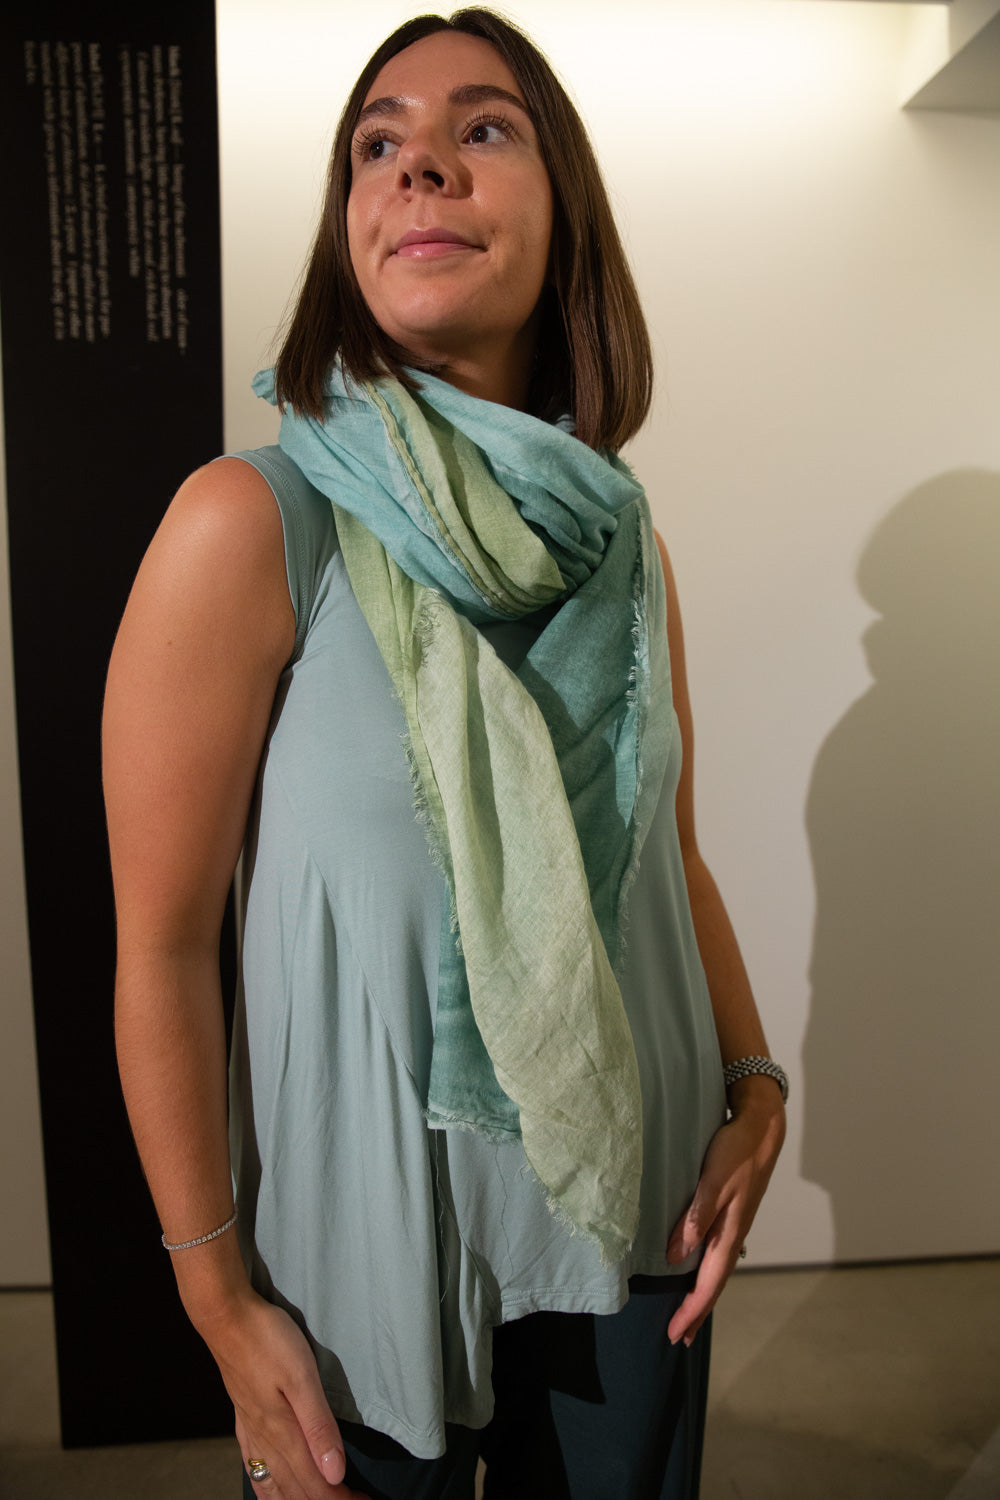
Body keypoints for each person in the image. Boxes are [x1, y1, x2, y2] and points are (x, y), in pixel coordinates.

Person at [102, 10, 786, 1499]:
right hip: (364, 1274)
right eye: (377, 143)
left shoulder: (625, 549)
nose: (417, 165)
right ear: (348, 222)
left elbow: (669, 863)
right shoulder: (250, 527)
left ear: (566, 211)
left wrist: (758, 1086)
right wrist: (216, 1301)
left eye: (482, 128)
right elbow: (160, 948)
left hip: (638, 1223)